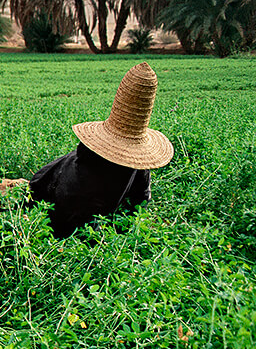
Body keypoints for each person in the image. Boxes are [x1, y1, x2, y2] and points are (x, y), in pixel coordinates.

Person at [30, 62, 174, 238]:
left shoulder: (138, 166)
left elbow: (140, 200)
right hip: (52, 206)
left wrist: (128, 233)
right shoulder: (82, 171)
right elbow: (70, 222)